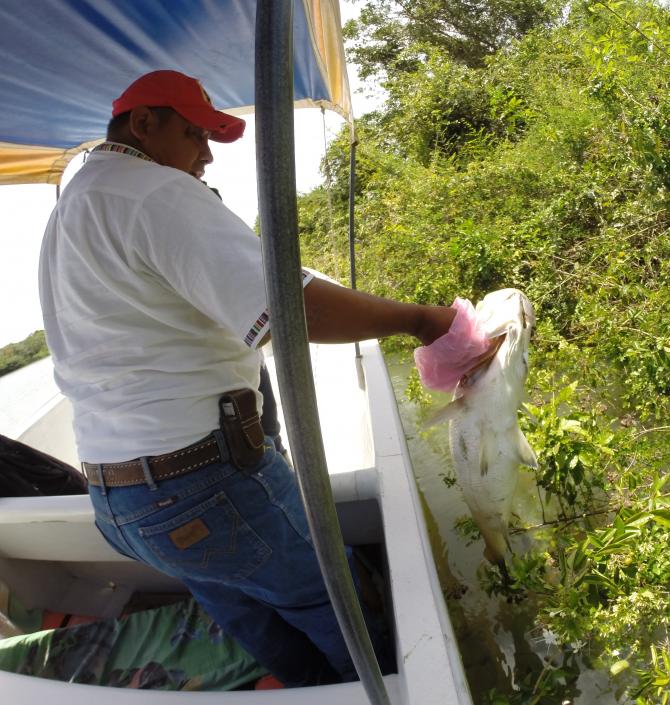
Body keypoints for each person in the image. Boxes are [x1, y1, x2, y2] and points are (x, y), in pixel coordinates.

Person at [38, 70, 458, 686]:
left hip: (119, 499)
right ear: (144, 124)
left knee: (243, 610)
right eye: (194, 134)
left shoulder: (72, 209)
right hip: (201, 485)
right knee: (338, 598)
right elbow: (289, 307)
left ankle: (317, 691)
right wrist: (420, 321)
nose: (206, 154)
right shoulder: (153, 192)